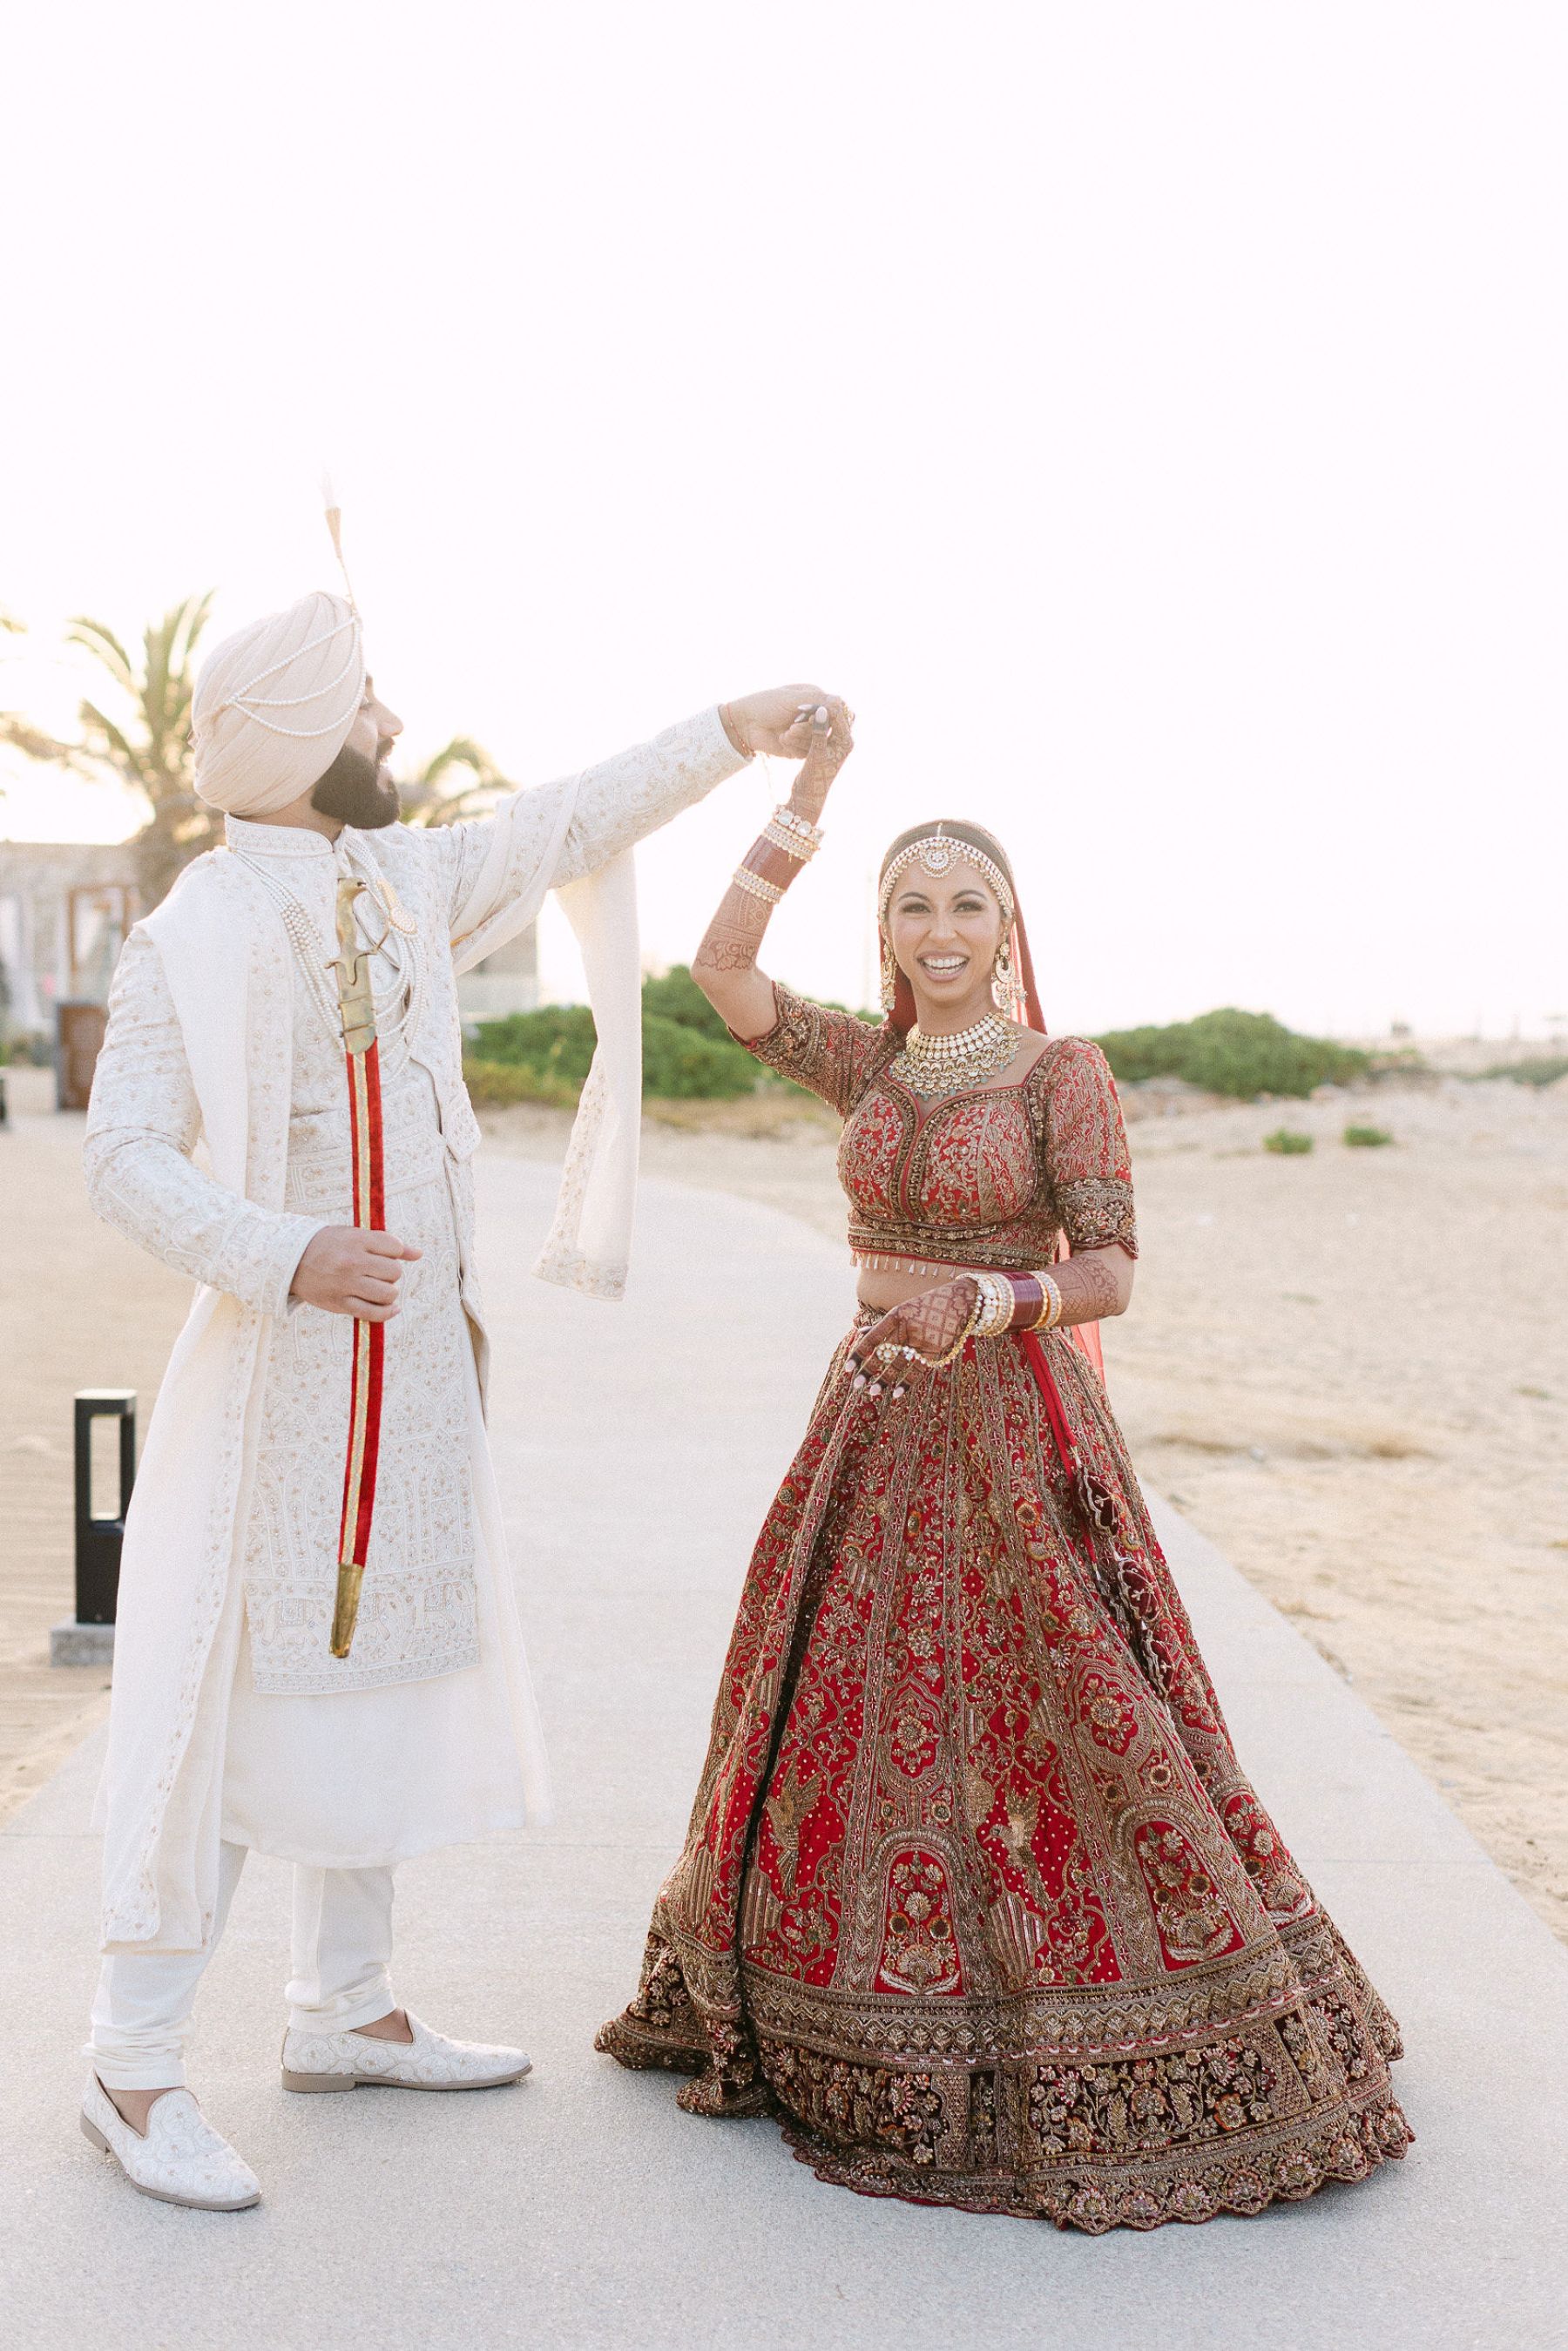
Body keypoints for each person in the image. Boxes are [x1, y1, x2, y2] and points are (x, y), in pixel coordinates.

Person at [79, 561, 846, 2212]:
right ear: (296, 733)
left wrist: (728, 730)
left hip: (418, 1374)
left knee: (386, 1667)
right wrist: (284, 1251)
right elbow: (126, 1156)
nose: (395, 720)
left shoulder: (405, 879)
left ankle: (341, 2010)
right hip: (283, 1378)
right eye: (365, 701)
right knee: (229, 1696)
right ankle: (132, 2067)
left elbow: (569, 818)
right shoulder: (192, 931)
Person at [597, 730, 1413, 2234]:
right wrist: (808, 804)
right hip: (872, 1423)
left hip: (1013, 1424)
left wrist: (991, 1306)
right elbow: (719, 968)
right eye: (915, 905)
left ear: (1011, 928)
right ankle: (822, 2012)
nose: (943, 931)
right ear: (888, 932)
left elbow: (1107, 1269)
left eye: (971, 904)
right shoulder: (870, 1061)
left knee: (1049, 1712)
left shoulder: (1062, 1073)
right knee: (850, 1701)